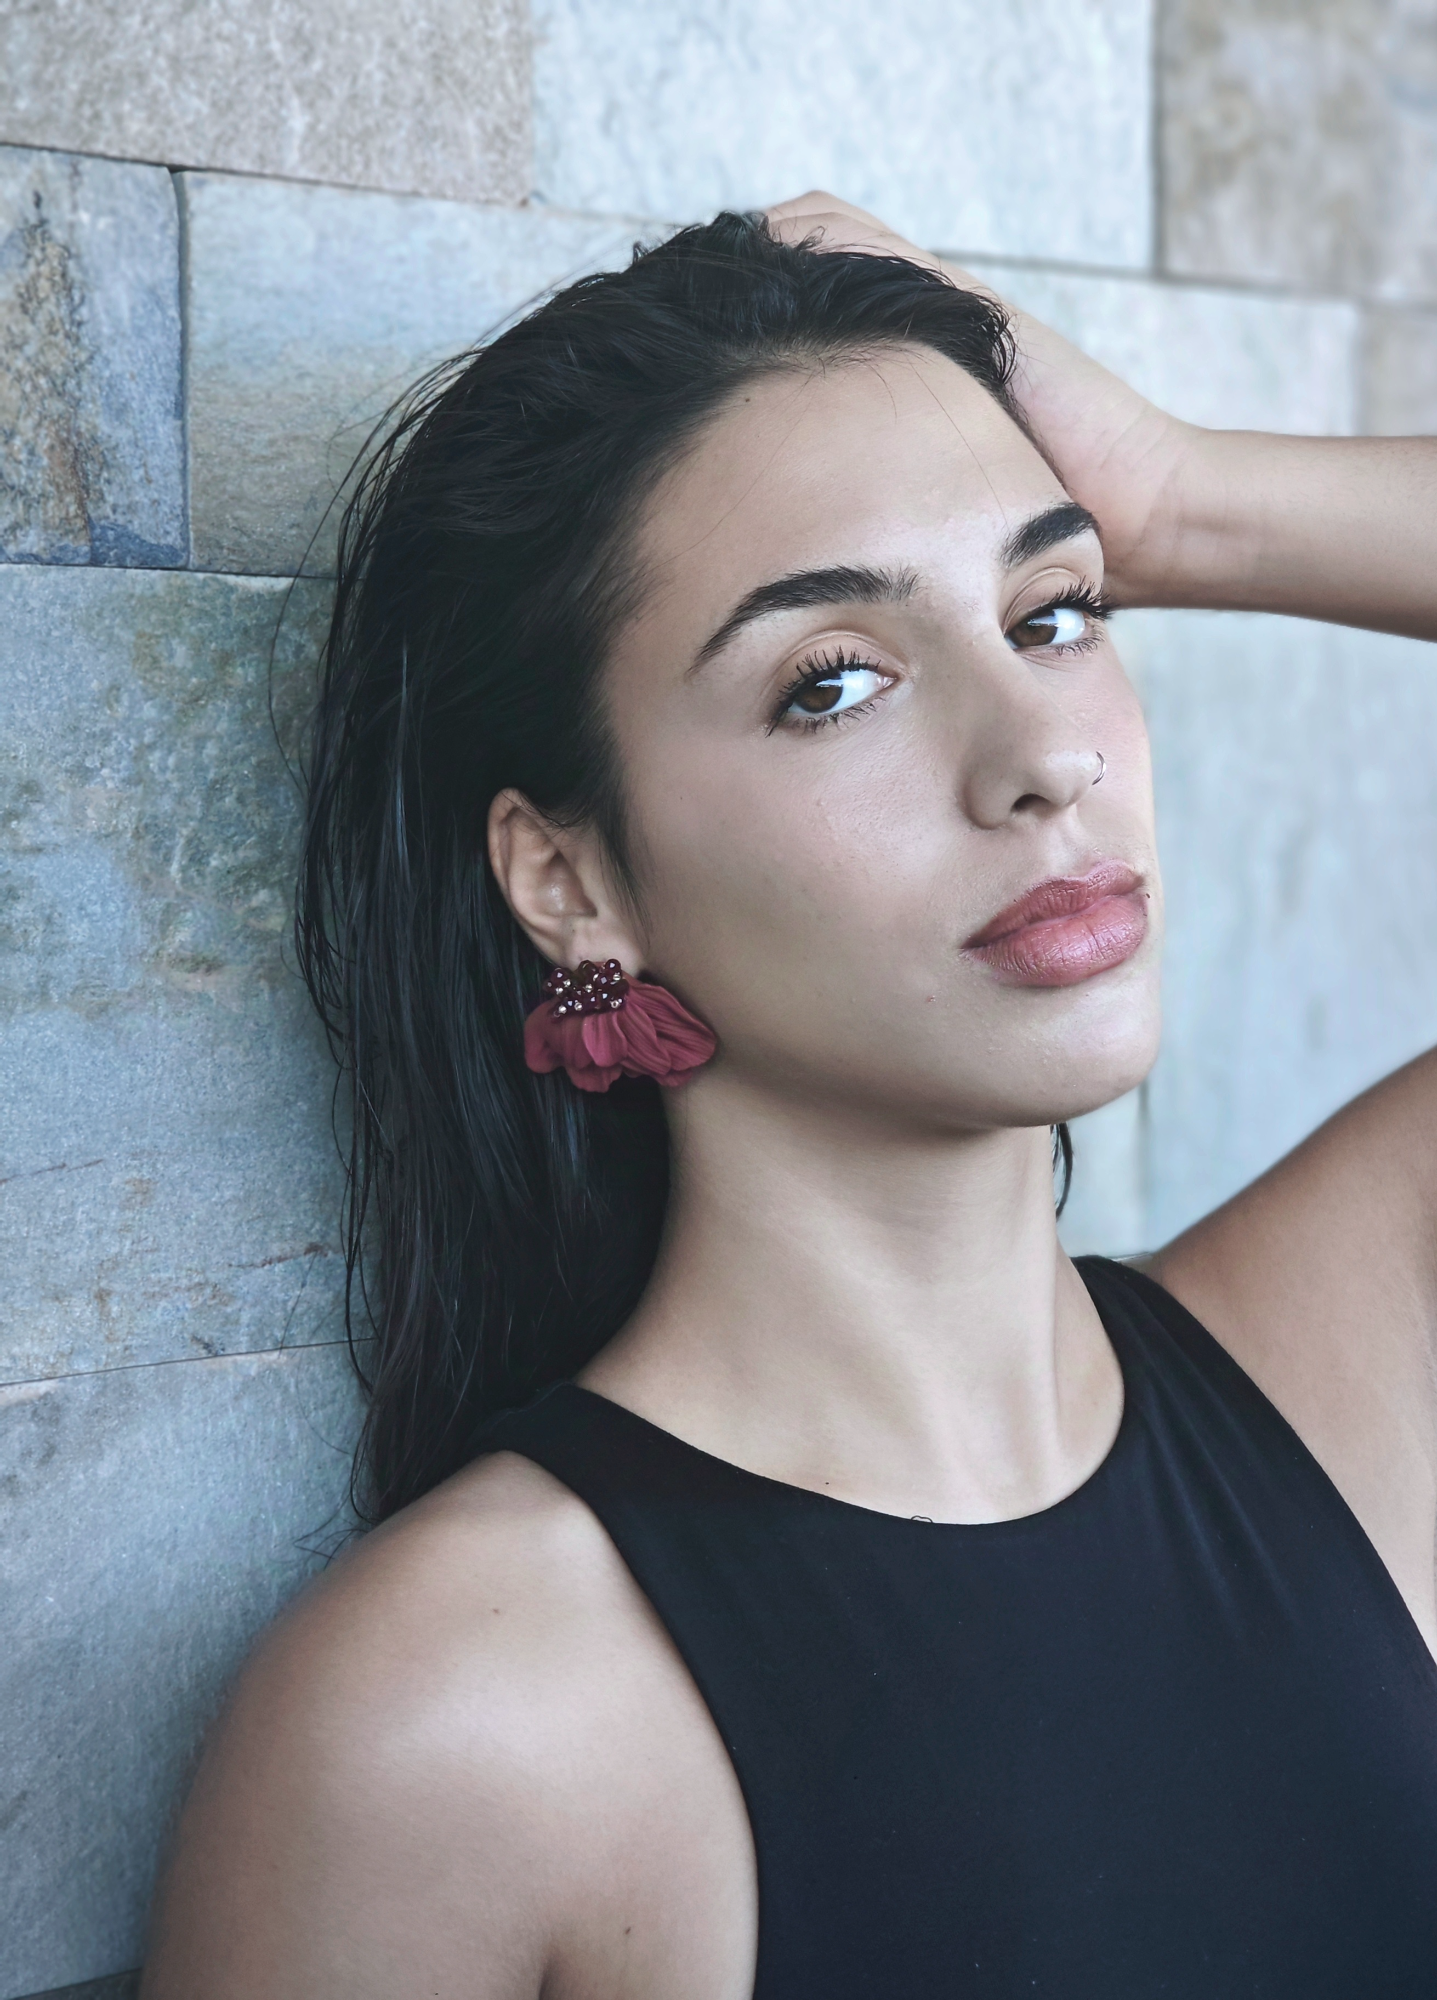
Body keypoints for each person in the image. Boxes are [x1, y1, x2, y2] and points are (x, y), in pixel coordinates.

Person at [141, 193, 1437, 1997]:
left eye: (1058, 611)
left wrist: (1180, 495)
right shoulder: (455, 1726)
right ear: (569, 881)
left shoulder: (1361, 1370)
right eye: (835, 682)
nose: (1044, 756)